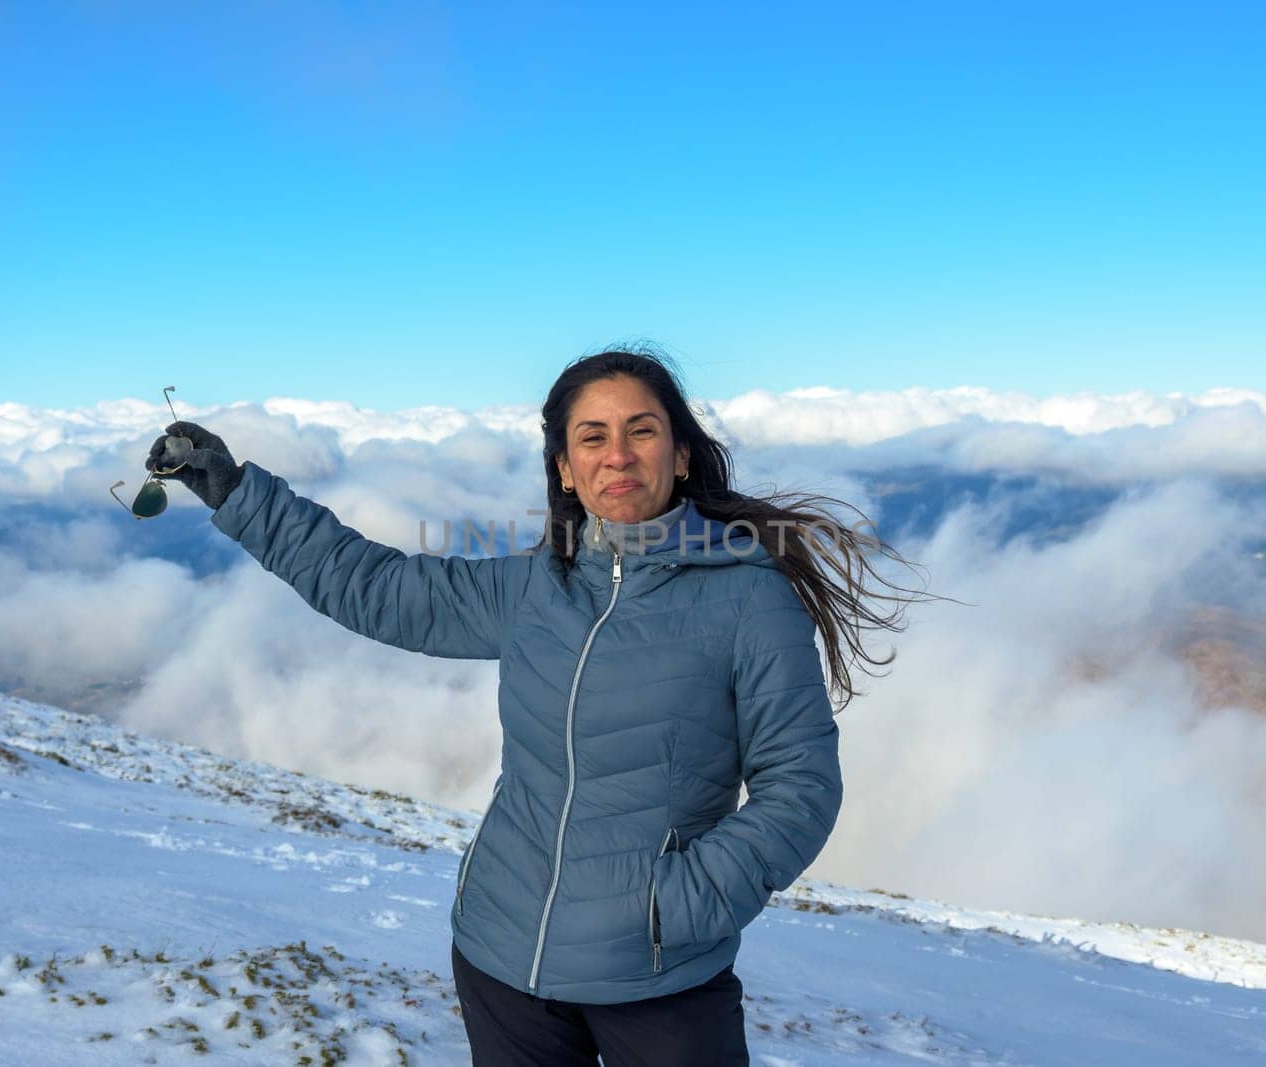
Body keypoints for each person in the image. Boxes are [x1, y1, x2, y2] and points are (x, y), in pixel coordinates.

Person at [147, 347, 926, 1065]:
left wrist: (673, 909)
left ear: (681, 454)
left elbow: (801, 787)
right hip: (500, 958)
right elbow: (377, 588)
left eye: (641, 430)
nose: (617, 454)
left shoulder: (749, 598)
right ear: (564, 468)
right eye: (591, 437)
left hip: (658, 982)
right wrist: (240, 494)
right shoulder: (533, 589)